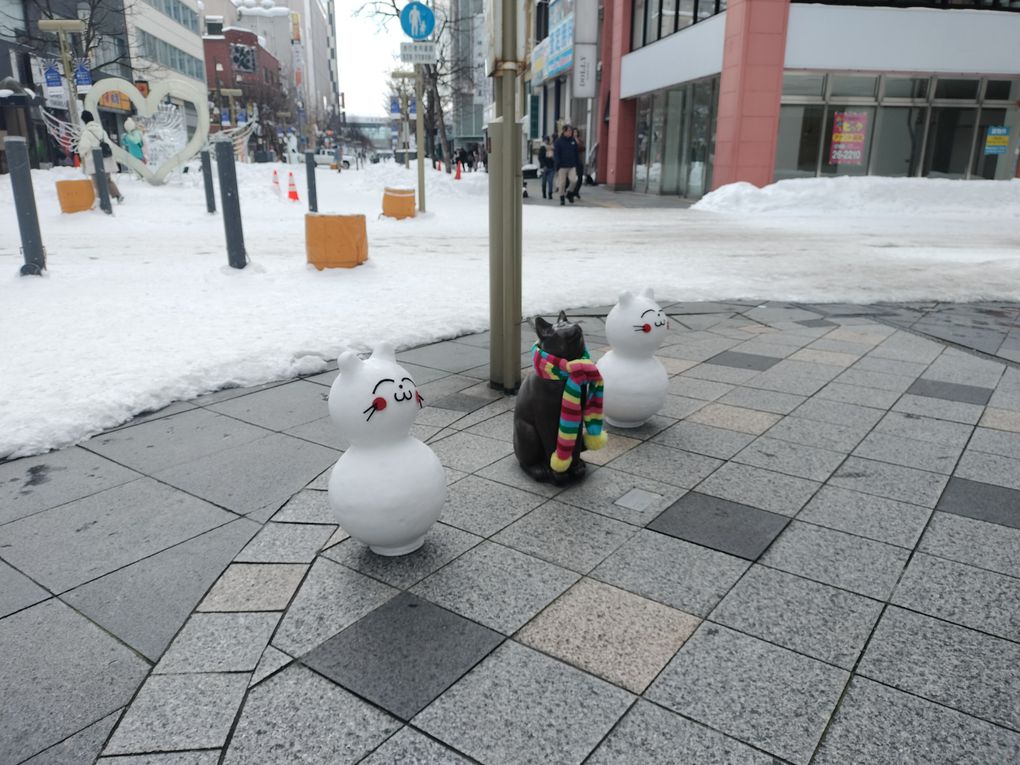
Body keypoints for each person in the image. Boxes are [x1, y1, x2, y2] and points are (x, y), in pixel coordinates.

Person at [77, 110, 123, 203]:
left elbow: (84, 146)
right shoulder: (102, 131)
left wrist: (81, 153)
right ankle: (117, 195)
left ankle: (101, 200)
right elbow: (109, 144)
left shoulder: (86, 132)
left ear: (84, 121)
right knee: (108, 180)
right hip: (105, 159)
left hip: (93, 161)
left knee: (96, 182)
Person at [553, 124, 579, 205]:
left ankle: (569, 193)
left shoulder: (573, 141)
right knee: (562, 183)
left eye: (571, 131)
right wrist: (558, 165)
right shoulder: (558, 141)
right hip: (562, 166)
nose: (570, 132)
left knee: (574, 180)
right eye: (568, 131)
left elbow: (576, 153)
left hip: (572, 165)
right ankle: (562, 198)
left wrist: (576, 163)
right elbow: (556, 154)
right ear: (564, 131)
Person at [572, 129, 586, 201]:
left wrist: (578, 142)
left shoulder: (580, 140)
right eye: (574, 132)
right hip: (573, 161)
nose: (575, 133)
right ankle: (572, 192)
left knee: (580, 178)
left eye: (576, 132)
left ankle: (576, 191)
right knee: (572, 178)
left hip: (579, 161)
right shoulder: (570, 140)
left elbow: (583, 148)